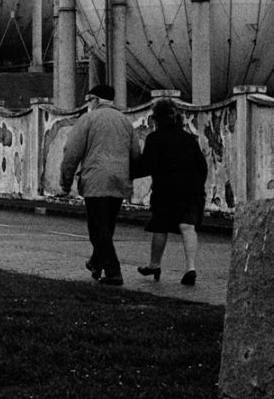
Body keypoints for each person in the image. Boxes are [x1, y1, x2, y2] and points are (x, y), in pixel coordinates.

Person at [59, 84, 141, 286]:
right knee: (107, 226)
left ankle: (113, 272)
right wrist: (128, 178)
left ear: (95, 100)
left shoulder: (88, 119)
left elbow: (71, 152)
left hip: (96, 179)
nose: (88, 104)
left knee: (97, 228)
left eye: (89, 100)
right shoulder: (125, 121)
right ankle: (96, 263)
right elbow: (136, 154)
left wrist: (66, 182)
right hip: (119, 181)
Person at [132, 98, 208, 286]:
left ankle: (154, 264)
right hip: (192, 189)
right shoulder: (190, 139)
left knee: (160, 226)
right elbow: (202, 166)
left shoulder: (155, 139)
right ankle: (191, 268)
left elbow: (147, 165)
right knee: (188, 227)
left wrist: (129, 172)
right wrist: (198, 186)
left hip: (166, 190)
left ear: (156, 119)